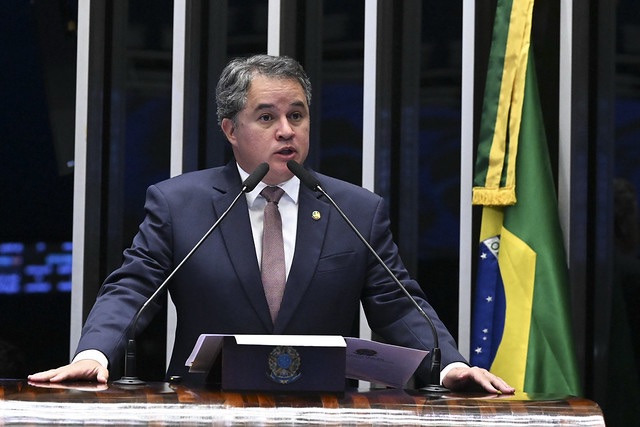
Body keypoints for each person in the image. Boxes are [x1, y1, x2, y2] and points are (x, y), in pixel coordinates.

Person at [29, 54, 514, 394]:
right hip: (205, 406)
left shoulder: (355, 208)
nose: (286, 130)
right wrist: (94, 355)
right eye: (266, 117)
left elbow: (397, 302)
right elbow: (134, 288)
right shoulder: (180, 204)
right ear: (230, 129)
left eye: (296, 115)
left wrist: (449, 366)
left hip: (323, 409)